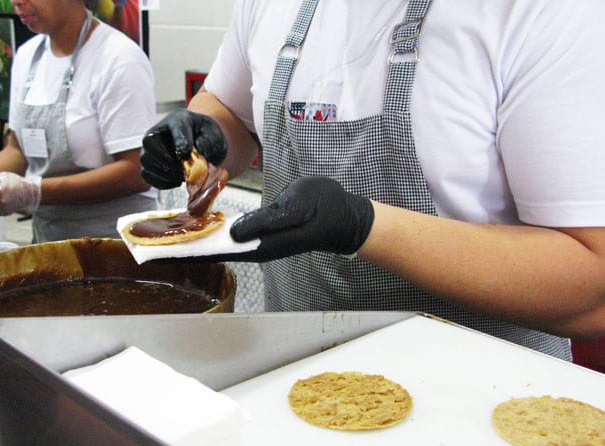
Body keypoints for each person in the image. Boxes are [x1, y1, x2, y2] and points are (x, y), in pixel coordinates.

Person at [139, 0, 605, 360]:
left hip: (482, 407)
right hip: (295, 373)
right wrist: (203, 136)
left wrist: (362, 226)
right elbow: (229, 108)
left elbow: (592, 286)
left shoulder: (542, 13)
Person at [0, 0, 156, 241]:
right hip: (50, 237)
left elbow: (136, 172)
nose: (16, 2)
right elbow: (18, 150)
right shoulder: (28, 57)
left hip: (115, 242)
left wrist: (34, 191)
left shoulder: (118, 59)